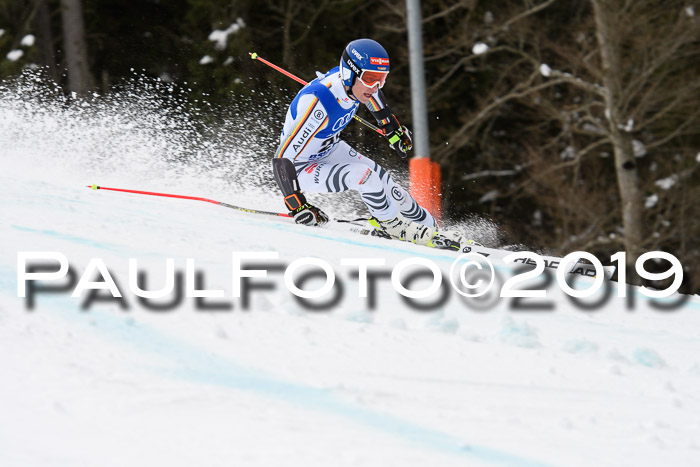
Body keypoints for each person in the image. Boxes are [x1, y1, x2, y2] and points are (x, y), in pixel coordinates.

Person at [271, 38, 471, 249]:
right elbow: (282, 158)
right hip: (301, 167)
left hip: (329, 148)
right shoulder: (318, 104)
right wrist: (297, 205)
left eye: (381, 79)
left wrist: (391, 128)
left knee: (391, 187)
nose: (375, 86)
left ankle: (431, 228)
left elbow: (374, 96)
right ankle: (392, 225)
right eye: (370, 78)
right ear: (349, 73)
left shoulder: (357, 86)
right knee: (364, 176)